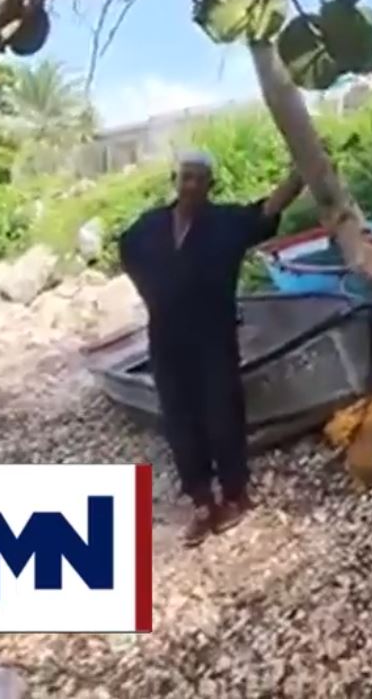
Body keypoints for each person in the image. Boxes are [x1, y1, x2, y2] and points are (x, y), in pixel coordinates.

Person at [118, 150, 304, 545]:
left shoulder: (225, 224)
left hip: (213, 336)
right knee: (179, 419)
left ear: (210, 185)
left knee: (222, 412)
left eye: (198, 179)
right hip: (166, 339)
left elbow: (266, 211)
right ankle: (202, 501)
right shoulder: (149, 226)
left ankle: (236, 494)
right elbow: (127, 253)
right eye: (185, 177)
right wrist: (153, 294)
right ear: (175, 180)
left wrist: (299, 175)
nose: (190, 185)